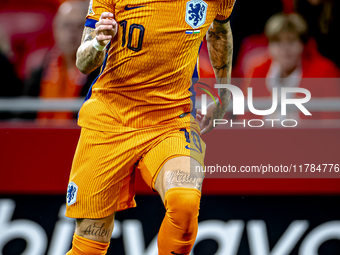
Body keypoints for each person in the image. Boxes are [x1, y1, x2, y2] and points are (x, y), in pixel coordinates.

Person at [65, 0, 234, 254]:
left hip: (171, 118)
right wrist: (99, 42)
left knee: (185, 203)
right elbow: (83, 63)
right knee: (88, 248)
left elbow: (219, 30)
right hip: (110, 118)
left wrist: (223, 92)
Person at [241, 12, 340, 121]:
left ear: (303, 44)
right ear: (269, 46)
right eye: (278, 42)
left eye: (291, 41)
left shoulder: (325, 72)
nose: (285, 49)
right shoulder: (257, 70)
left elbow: (331, 123)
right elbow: (245, 118)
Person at [24, 1, 99, 121]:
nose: (72, 33)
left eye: (80, 26)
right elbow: (23, 117)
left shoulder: (101, 74)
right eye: (66, 26)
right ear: (55, 29)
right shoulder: (40, 73)